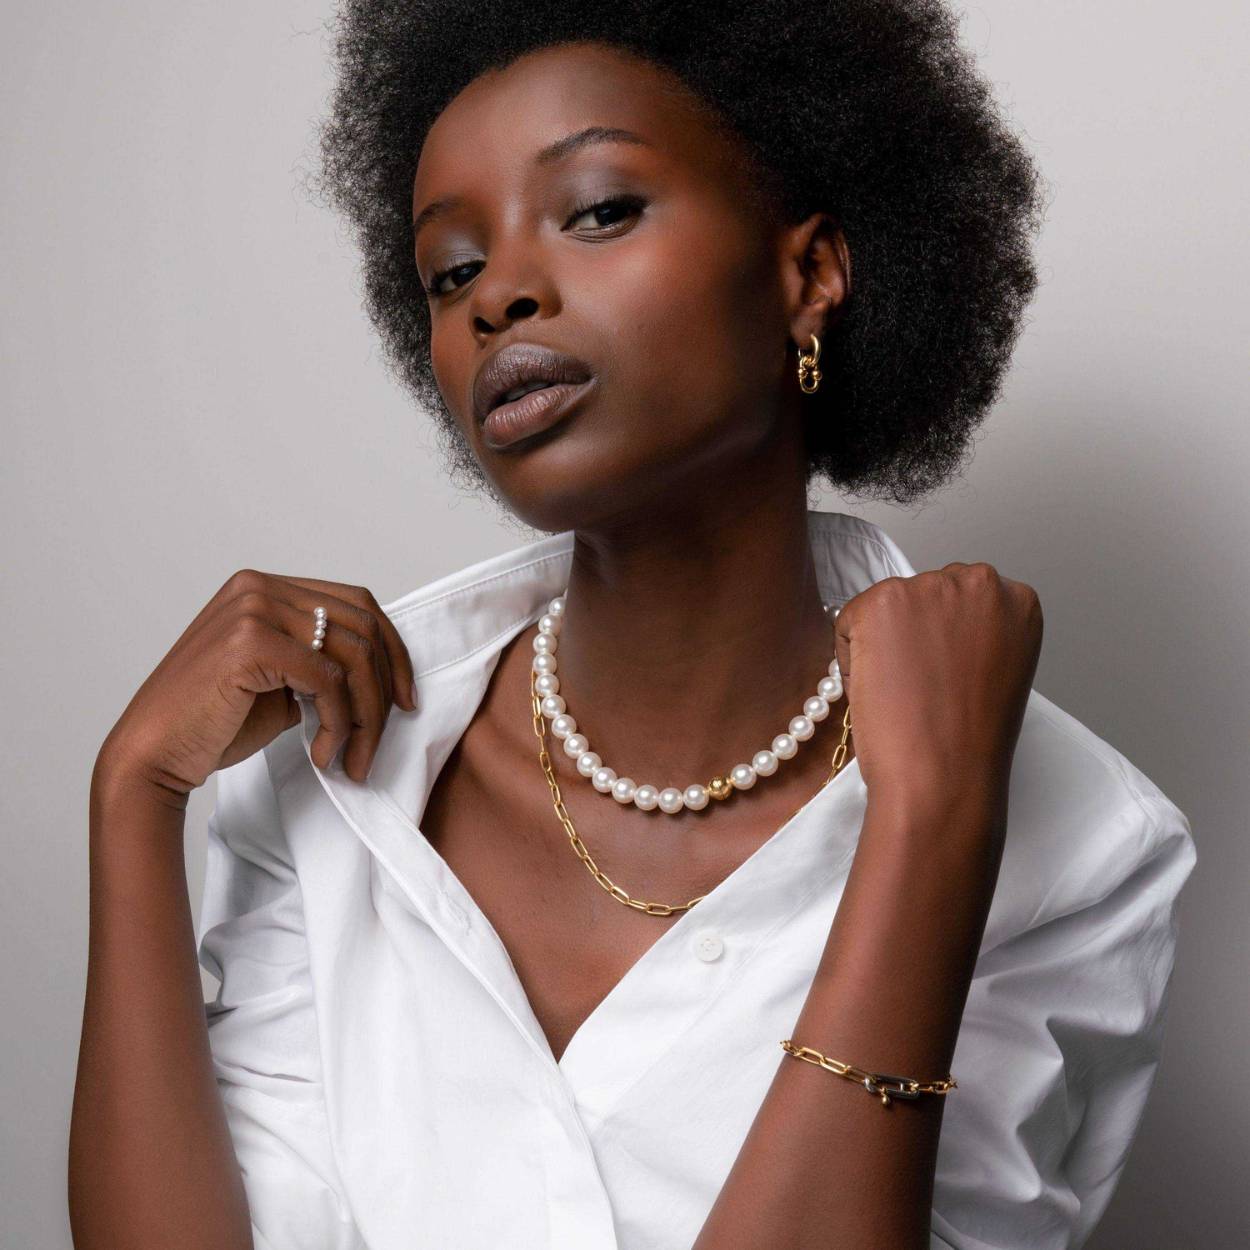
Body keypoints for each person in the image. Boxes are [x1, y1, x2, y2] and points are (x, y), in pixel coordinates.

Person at [68, 4, 1197, 1249]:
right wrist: (135, 794)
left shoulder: (1079, 849)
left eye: (599, 209)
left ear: (807, 275)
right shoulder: (331, 760)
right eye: (450, 271)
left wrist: (930, 827)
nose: (500, 295)